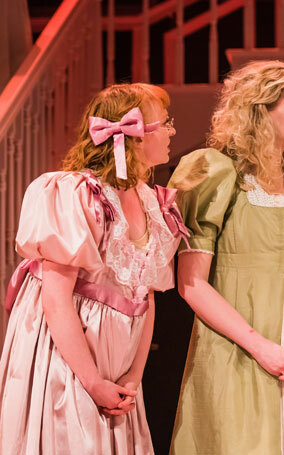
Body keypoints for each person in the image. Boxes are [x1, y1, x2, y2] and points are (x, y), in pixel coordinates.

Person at [168, 60, 284, 455]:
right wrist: (260, 346)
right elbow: (192, 282)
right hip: (238, 351)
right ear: (260, 110)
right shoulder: (216, 173)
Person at [0, 83, 184, 454]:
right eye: (165, 123)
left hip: (118, 364)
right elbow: (55, 300)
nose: (172, 131)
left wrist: (133, 377)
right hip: (68, 357)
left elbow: (144, 298)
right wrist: (92, 380)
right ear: (131, 137)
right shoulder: (78, 195)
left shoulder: (153, 203)